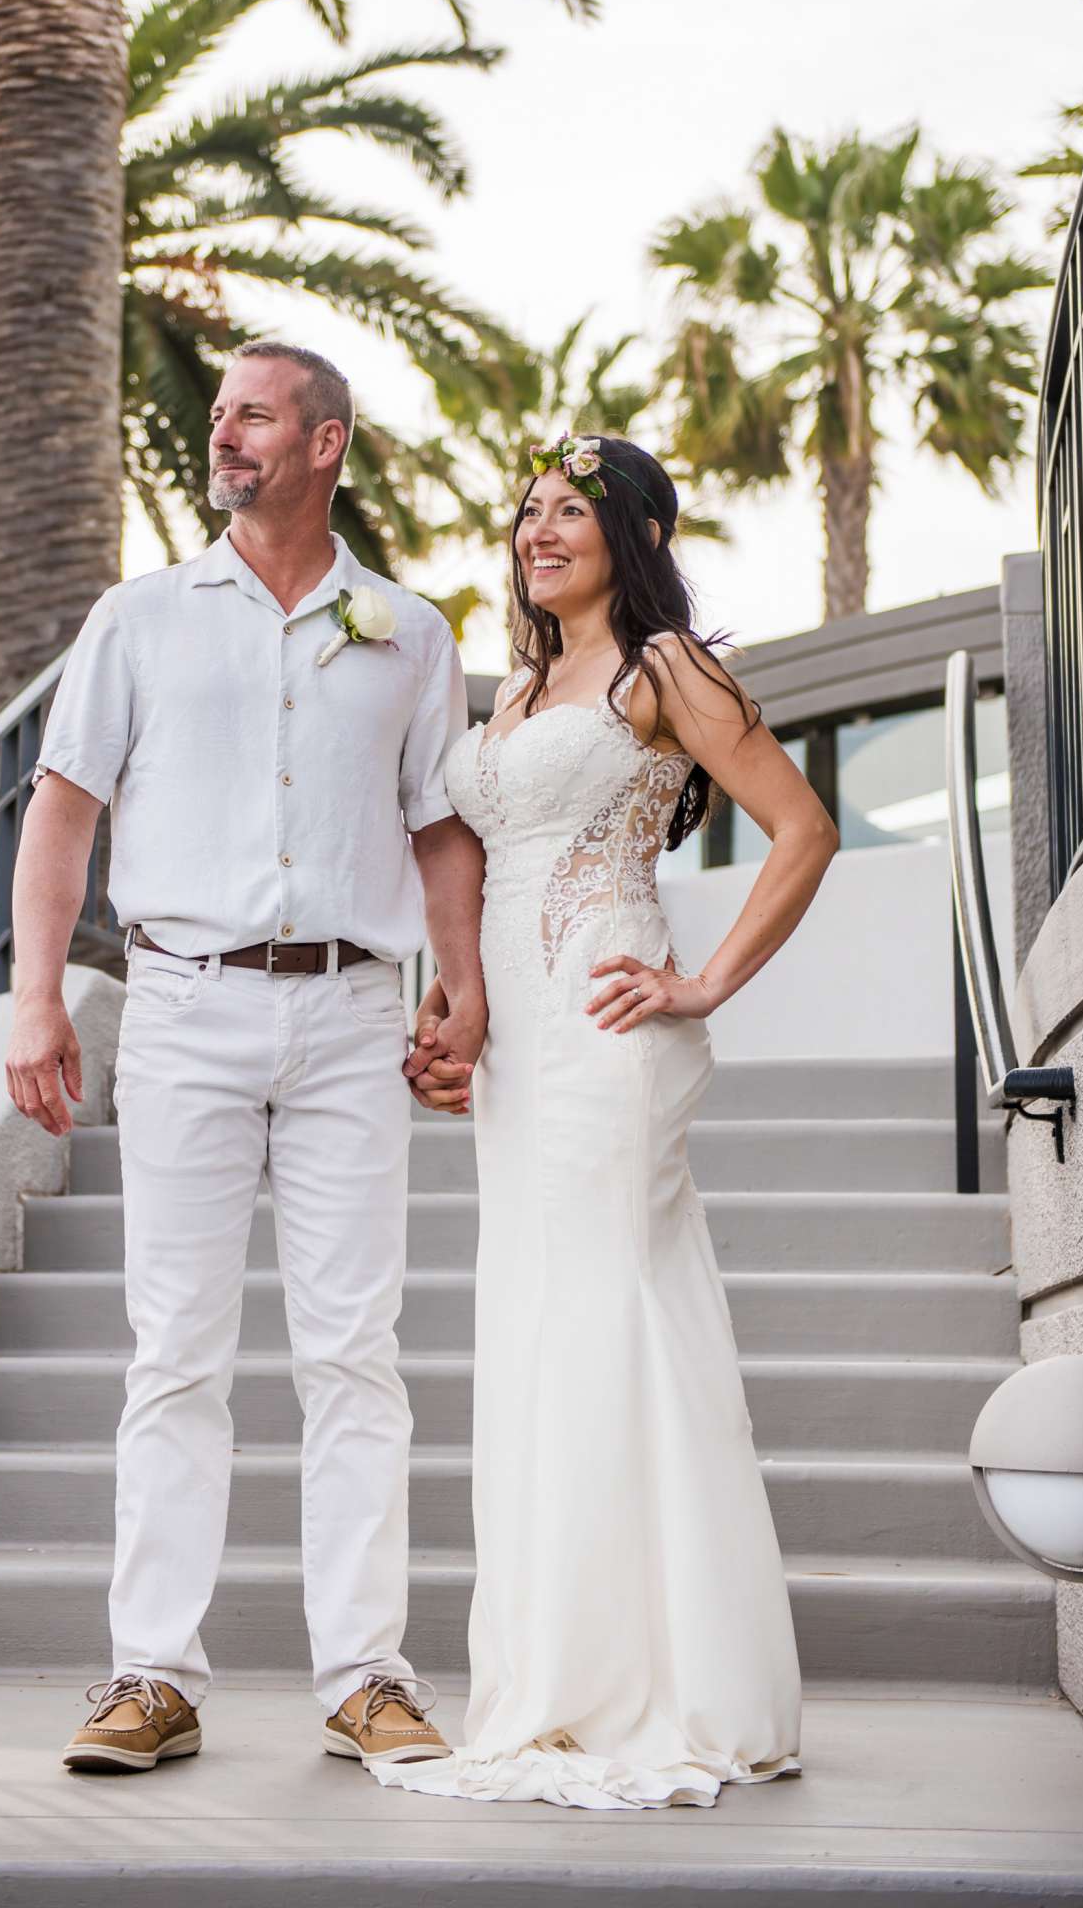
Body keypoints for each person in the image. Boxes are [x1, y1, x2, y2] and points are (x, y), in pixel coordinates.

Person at [4, 340, 486, 1777]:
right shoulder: (139, 619)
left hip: (350, 1015)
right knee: (176, 1352)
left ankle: (366, 1678)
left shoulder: (409, 630)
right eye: (217, 415)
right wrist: (37, 1000)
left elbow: (437, 827)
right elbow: (61, 812)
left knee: (354, 1355)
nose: (225, 433)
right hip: (183, 1006)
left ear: (326, 443)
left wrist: (458, 988)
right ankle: (149, 1675)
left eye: (255, 415)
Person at [387, 431, 838, 1813]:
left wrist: (700, 981)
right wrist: (452, 1009)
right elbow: (464, 855)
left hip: (610, 1032)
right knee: (534, 1329)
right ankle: (555, 1680)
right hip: (517, 1054)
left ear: (631, 533)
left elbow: (801, 827)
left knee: (604, 1318)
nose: (538, 532)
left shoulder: (667, 671)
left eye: (568, 511)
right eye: (525, 512)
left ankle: (663, 1681)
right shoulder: (518, 690)